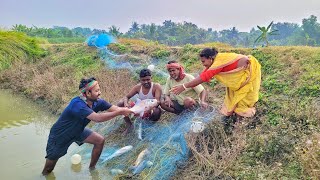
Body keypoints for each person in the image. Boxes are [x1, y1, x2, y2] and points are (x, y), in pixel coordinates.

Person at [42, 77, 133, 175]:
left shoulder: (98, 102)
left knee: (99, 141)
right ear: (88, 93)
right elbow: (97, 118)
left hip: (78, 131)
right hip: (60, 136)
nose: (100, 93)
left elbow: (116, 109)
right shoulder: (77, 104)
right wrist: (121, 112)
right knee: (48, 169)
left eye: (99, 90)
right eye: (97, 90)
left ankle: (92, 169)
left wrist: (132, 109)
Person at [170, 48, 261, 120]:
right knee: (234, 100)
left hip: (248, 76)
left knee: (243, 101)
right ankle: (233, 119)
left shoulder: (218, 62)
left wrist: (184, 86)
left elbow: (204, 77)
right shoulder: (215, 61)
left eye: (203, 61)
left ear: (210, 58)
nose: (203, 64)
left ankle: (243, 122)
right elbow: (205, 74)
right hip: (240, 80)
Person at [117, 68, 162, 135]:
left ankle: (148, 124)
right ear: (140, 80)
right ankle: (129, 125)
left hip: (150, 109)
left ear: (151, 78)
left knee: (157, 111)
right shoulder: (137, 87)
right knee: (120, 103)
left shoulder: (156, 86)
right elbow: (126, 97)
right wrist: (126, 104)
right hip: (140, 107)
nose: (146, 82)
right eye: (143, 80)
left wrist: (150, 108)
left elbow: (157, 101)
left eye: (148, 79)